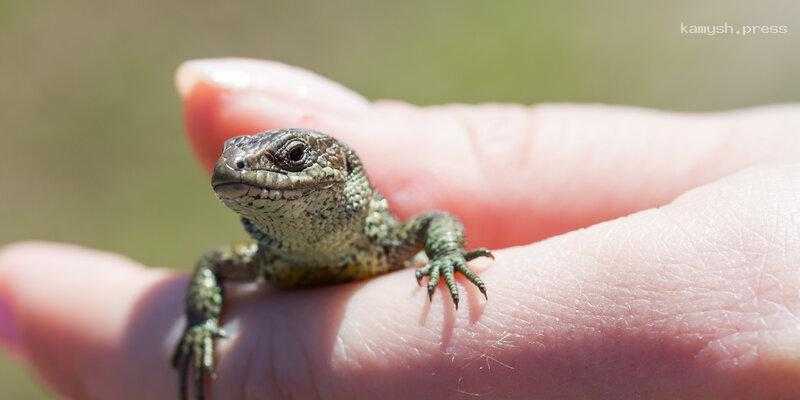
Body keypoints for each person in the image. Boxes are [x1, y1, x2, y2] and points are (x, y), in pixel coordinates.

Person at [1, 58, 800, 399]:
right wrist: (204, 323)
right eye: (250, 168)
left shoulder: (388, 235)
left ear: (341, 172)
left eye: (288, 157)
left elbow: (432, 224)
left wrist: (447, 256)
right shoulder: (260, 259)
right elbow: (213, 265)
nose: (253, 171)